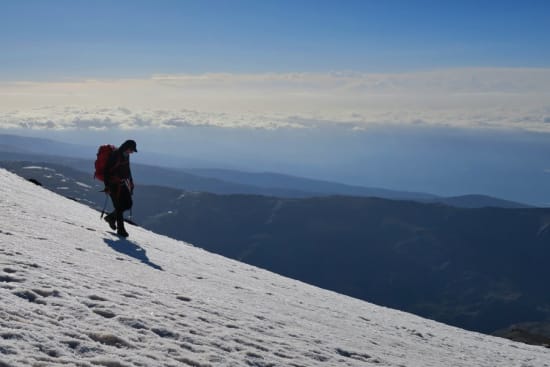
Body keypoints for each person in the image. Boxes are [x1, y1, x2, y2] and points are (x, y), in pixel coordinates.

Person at [103, 140, 137, 237]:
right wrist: (107, 186)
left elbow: (127, 169)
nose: (132, 152)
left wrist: (131, 182)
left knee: (128, 203)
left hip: (122, 183)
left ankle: (110, 218)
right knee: (119, 207)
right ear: (127, 147)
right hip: (113, 185)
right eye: (131, 150)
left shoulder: (126, 155)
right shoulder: (115, 155)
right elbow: (106, 170)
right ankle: (121, 230)